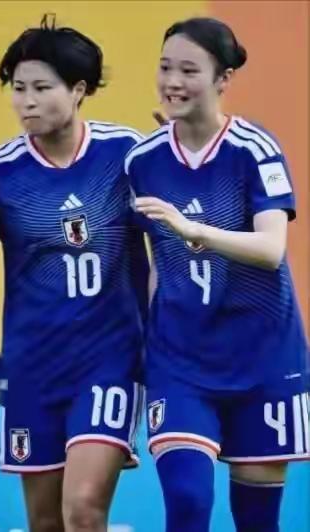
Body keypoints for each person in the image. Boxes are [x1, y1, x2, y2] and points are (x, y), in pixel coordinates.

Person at [0, 16, 148, 532]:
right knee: (45, 522)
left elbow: (170, 238)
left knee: (83, 510)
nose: (27, 101)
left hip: (109, 360)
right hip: (33, 368)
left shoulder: (127, 155)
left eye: (42, 88)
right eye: (18, 89)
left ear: (79, 90)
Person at [128, 17, 310, 532]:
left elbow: (271, 249)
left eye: (189, 70)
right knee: (187, 500)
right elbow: (155, 263)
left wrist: (195, 230)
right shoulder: (142, 161)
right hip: (181, 360)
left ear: (223, 79)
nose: (172, 81)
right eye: (165, 67)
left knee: (257, 521)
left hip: (263, 357)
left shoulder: (254, 149)